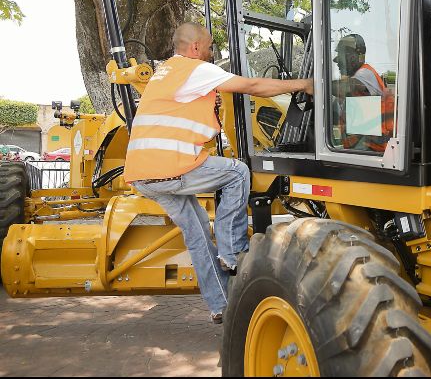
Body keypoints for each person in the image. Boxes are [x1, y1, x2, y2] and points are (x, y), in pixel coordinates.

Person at [123, 22, 312, 323]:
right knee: (237, 172)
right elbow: (252, 87)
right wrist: (303, 85)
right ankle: (231, 248)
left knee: (197, 235)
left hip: (143, 175)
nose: (212, 52)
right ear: (196, 47)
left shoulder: (165, 72)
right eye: (210, 46)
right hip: (171, 166)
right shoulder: (195, 68)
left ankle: (221, 305)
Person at [331, 34, 394, 153]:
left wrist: (315, 86)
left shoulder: (365, 73)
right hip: (361, 152)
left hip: (376, 154)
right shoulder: (353, 86)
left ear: (353, 57)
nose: (338, 63)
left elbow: (345, 87)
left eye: (341, 57)